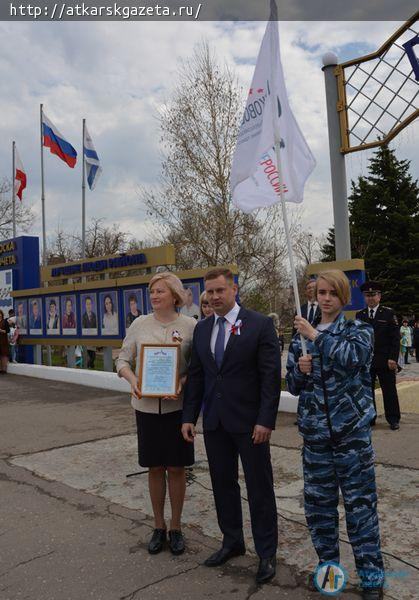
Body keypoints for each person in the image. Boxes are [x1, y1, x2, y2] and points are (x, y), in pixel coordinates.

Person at [287, 270, 384, 600]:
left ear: (344, 298)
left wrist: (316, 335)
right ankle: (330, 572)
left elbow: (352, 360)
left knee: (361, 509)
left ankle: (371, 577)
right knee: (320, 510)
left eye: (332, 293)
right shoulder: (299, 335)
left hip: (351, 438)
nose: (325, 298)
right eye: (321, 293)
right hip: (316, 438)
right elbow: (293, 386)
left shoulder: (359, 330)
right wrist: (300, 372)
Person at [182, 268, 281, 585]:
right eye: (209, 292)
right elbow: (197, 377)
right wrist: (189, 416)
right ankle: (232, 541)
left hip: (251, 424)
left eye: (219, 291)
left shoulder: (260, 324)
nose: (213, 297)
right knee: (223, 485)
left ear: (234, 289)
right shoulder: (202, 329)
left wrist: (265, 419)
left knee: (259, 488)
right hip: (215, 422)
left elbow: (270, 378)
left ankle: (266, 552)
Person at [117, 272, 196, 556]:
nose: (154, 296)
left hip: (177, 410)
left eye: (159, 291)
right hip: (147, 409)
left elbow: (195, 368)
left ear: (174, 295)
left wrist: (181, 383)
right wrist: (132, 380)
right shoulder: (139, 324)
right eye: (151, 292)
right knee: (154, 468)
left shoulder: (190, 326)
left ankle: (176, 527)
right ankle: (158, 526)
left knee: (176, 468)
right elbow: (122, 359)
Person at [356, 281, 401, 430]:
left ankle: (393, 419)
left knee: (389, 390)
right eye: (367, 295)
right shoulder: (360, 315)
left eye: (373, 295)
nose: (370, 298)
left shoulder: (388, 313)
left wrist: (393, 358)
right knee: (367, 391)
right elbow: (358, 339)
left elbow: (395, 338)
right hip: (367, 361)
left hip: (385, 359)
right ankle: (370, 417)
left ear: (379, 296)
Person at [0, 309, 10, 373]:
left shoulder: (4, 321)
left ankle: (4, 369)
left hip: (3, 340)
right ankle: (0, 369)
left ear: (2, 314)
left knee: (4, 355)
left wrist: (2, 331)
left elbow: (8, 330)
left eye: (0, 314)